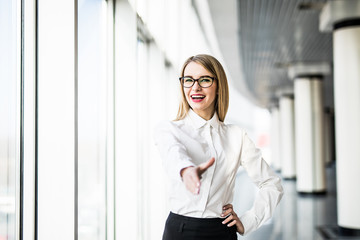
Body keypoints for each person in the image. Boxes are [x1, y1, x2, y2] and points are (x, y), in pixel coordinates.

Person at [154, 54, 283, 240]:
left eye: (204, 80)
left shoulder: (236, 135)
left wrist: (249, 220)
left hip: (221, 231)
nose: (195, 87)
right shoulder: (169, 129)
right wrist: (187, 171)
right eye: (188, 80)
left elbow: (272, 184)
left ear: (219, 86)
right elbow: (174, 154)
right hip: (179, 231)